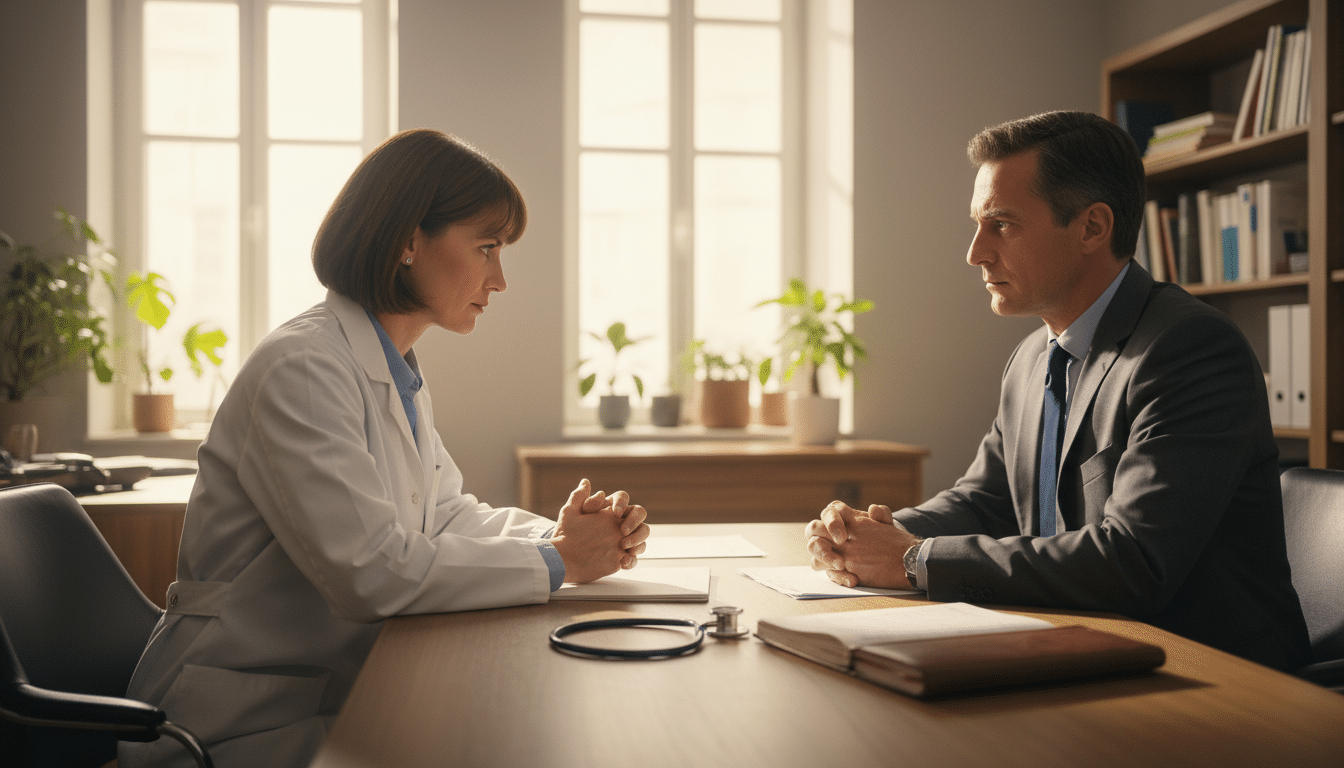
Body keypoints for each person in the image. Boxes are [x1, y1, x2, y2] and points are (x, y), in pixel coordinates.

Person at [120, 129, 651, 768]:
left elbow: (447, 513)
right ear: (407, 240)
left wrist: (566, 538)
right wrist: (561, 561)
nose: (500, 279)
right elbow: (372, 573)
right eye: (487, 247)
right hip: (235, 720)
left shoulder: (387, 364)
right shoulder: (304, 368)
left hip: (325, 689)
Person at [806, 111, 1311, 672]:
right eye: (978, 224)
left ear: (1093, 227)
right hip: (1078, 648)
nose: (976, 252)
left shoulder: (1188, 348)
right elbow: (986, 500)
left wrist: (913, 559)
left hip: (1212, 679)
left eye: (1002, 224)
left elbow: (1132, 560)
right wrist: (870, 534)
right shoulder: (1031, 358)